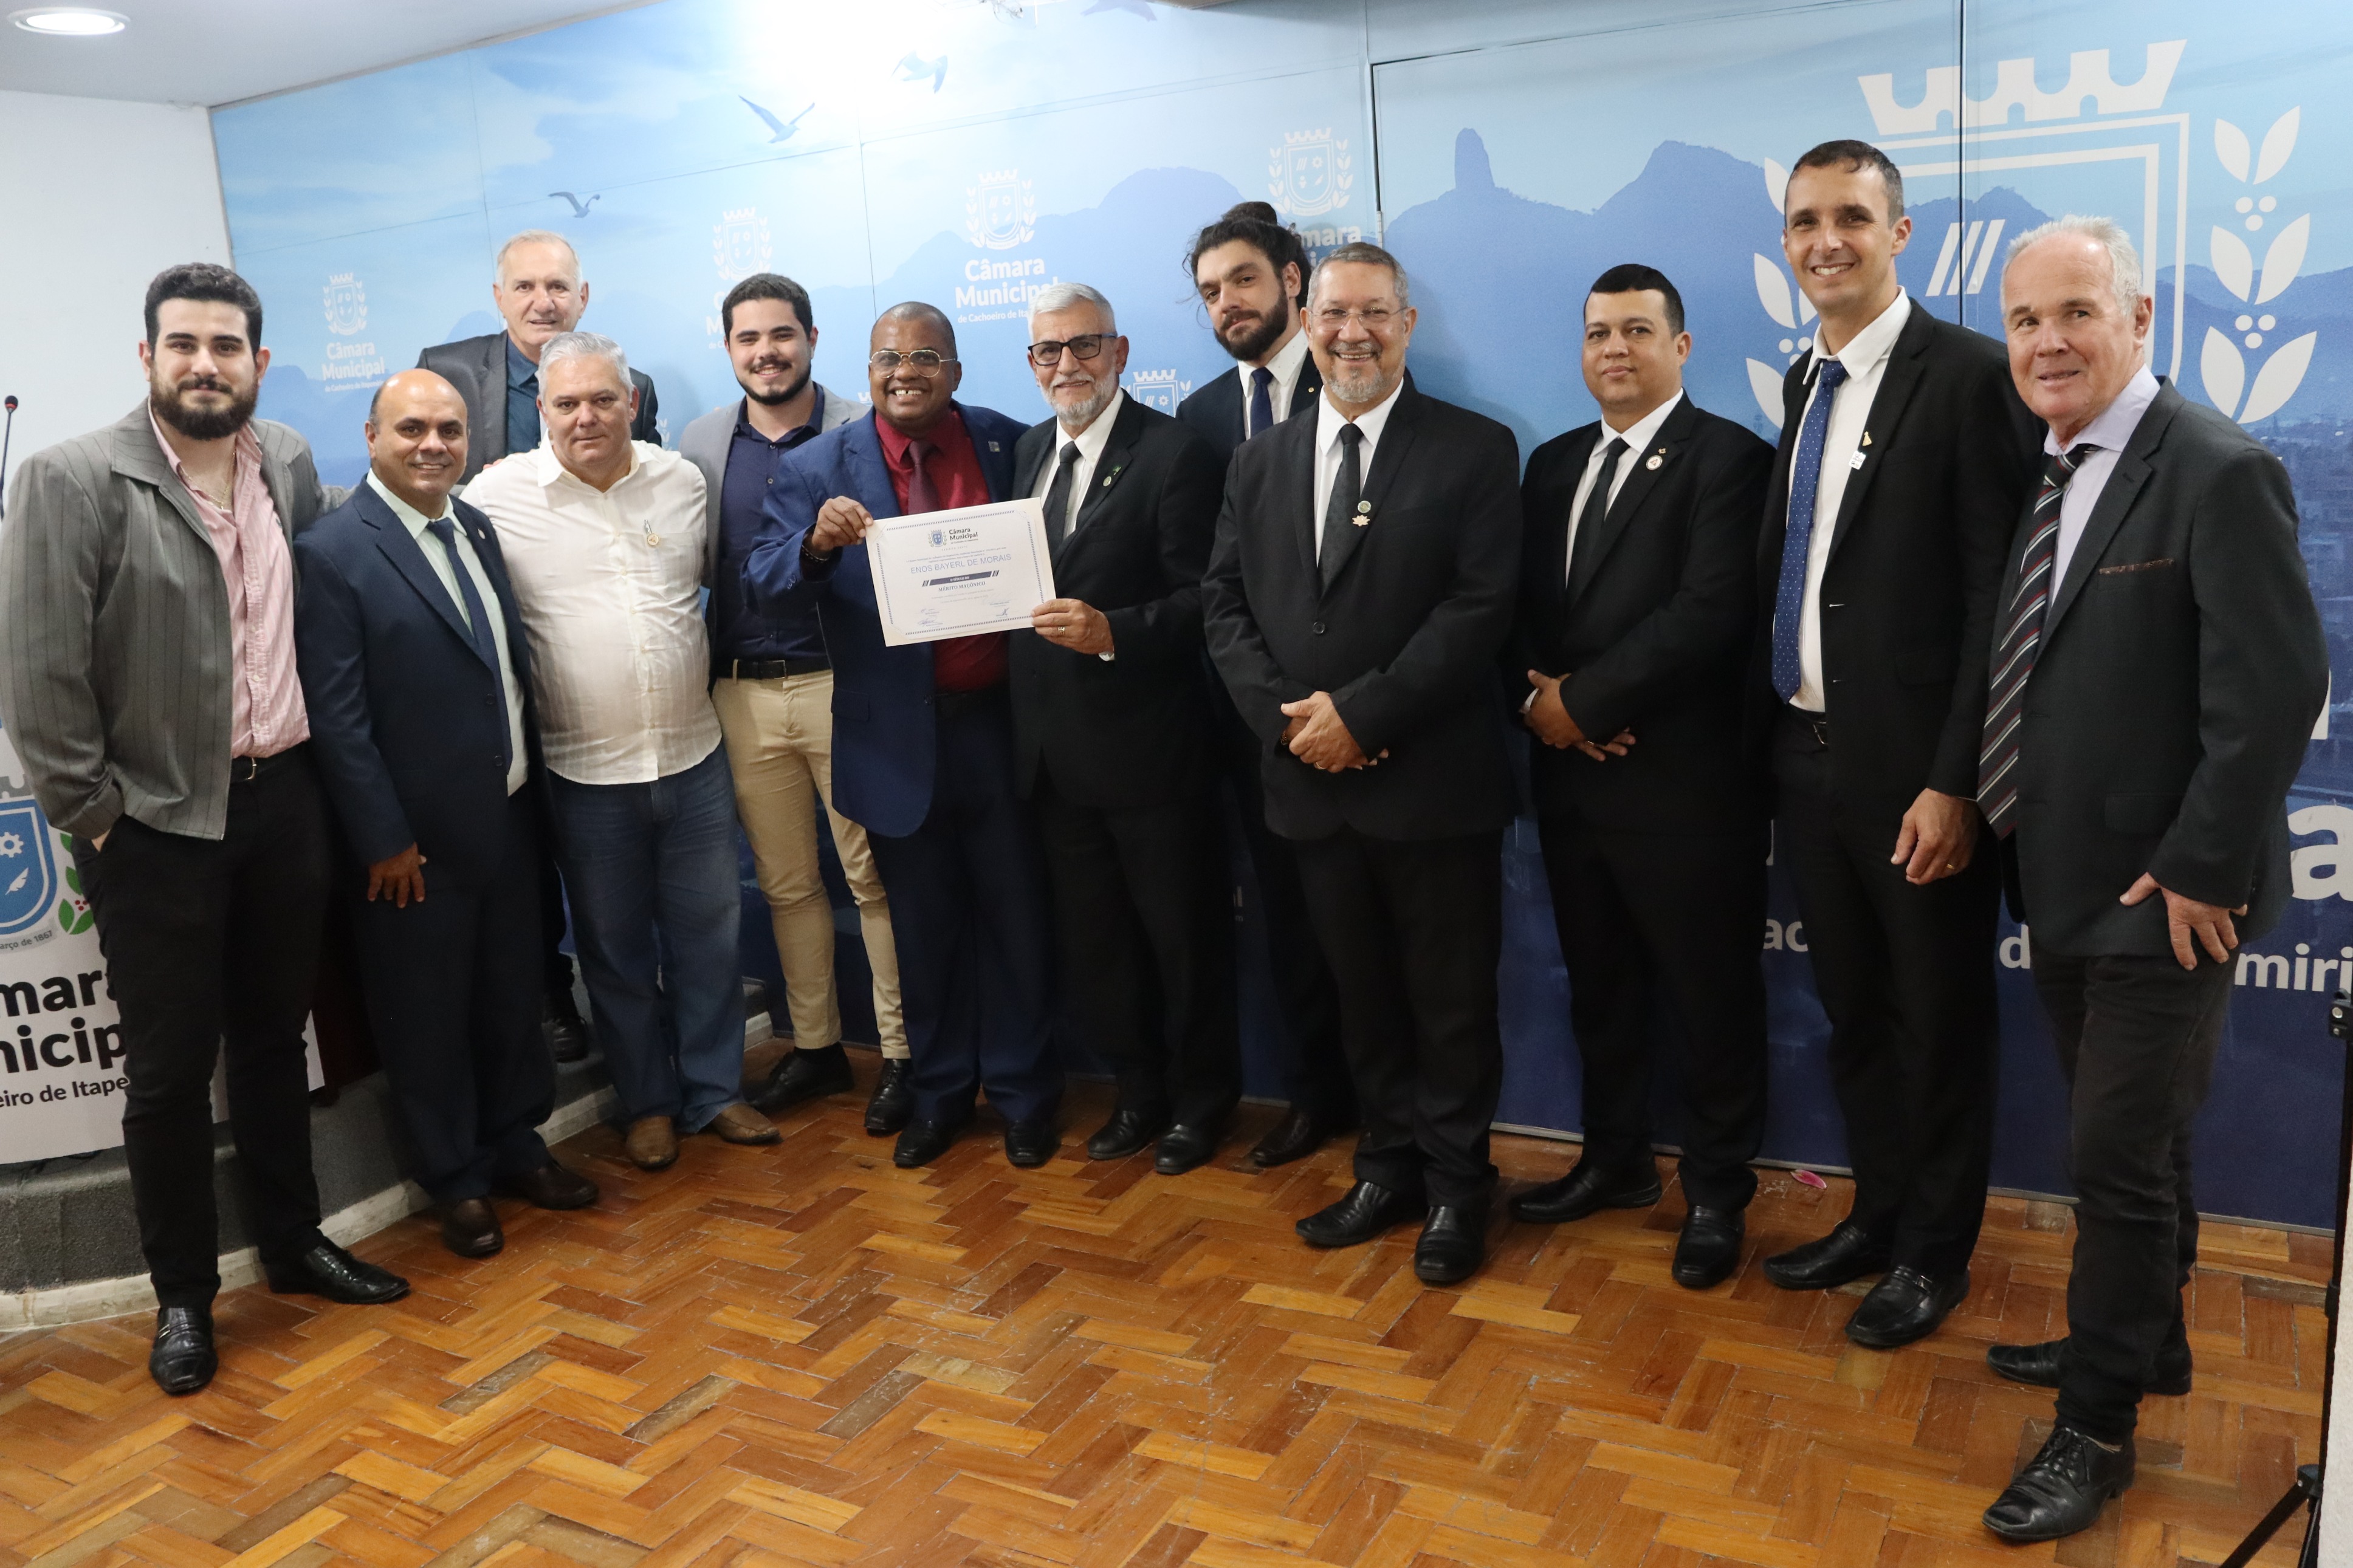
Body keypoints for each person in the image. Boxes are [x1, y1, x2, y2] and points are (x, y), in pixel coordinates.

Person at [1975, 217, 2327, 1542]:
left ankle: (2097, 1423)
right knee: (2143, 1142)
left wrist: (2196, 866)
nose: (2047, 342)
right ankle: (2149, 1339)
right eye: (2024, 320)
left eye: (2075, 311)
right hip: (2061, 879)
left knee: (2113, 1159)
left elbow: (2275, 690)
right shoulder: (2053, 466)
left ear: (2137, 318)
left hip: (2166, 898)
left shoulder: (2218, 468)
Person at [0, 264, 408, 1396]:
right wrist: (100, 824)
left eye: (226, 346)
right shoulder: (72, 478)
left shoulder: (288, 460)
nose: (204, 364)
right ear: (148, 357)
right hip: (154, 828)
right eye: (182, 344)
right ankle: (183, 1295)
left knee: (276, 1042)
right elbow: (38, 680)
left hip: (285, 804)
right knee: (171, 1074)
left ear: (257, 362)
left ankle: (293, 1242)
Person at [1751, 140, 2038, 1347]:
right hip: (1807, 758)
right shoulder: (1802, 381)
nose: (1827, 241)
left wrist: (1954, 780)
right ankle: (1876, 1216)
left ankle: (1933, 1254)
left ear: (1900, 233)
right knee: (1857, 1013)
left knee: (1937, 1020)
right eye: (1805, 220)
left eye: (1852, 218)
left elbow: (1995, 601)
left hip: (1919, 780)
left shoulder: (1967, 376)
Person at [1203, 243, 1521, 1285]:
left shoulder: (1476, 448)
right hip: (1310, 785)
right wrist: (1290, 723)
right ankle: (1387, 1166)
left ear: (1408, 323)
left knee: (1450, 1002)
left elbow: (1478, 608)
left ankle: (1459, 1185)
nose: (1354, 334)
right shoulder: (1258, 462)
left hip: (1432, 785)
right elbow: (1224, 604)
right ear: (1308, 323)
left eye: (1375, 313)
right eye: (1335, 314)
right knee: (1364, 996)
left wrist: (1364, 714)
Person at [744, 303, 1062, 1171]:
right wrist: (815, 545)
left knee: (1018, 924)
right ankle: (942, 1094)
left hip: (1001, 728)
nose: (906, 372)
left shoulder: (1010, 444)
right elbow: (765, 583)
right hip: (891, 742)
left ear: (954, 370)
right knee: (923, 934)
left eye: (926, 356)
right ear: (868, 370)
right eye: (889, 357)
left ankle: (1027, 1096)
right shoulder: (816, 466)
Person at [1506, 265, 1773, 1290]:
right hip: (1572, 783)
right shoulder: (1551, 465)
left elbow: (1710, 612)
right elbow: (1515, 607)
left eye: (1637, 330)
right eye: (1598, 333)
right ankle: (1614, 1158)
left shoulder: (1731, 460)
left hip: (1686, 789)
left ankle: (1716, 1192)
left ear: (1681, 346)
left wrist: (1585, 703)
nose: (1614, 349)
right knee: (1602, 990)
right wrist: (1545, 704)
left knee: (1710, 999)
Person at [294, 369, 600, 1260]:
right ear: (372, 437)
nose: (433, 445)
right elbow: (339, 720)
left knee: (510, 998)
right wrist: (383, 839)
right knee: (425, 1017)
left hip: (508, 820)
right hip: (412, 849)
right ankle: (456, 1179)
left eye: (450, 430)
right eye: (412, 428)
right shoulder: (332, 552)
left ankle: (517, 1145)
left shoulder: (475, 526)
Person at [465, 331, 774, 1171]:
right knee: (613, 951)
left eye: (604, 399)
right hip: (582, 773)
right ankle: (647, 1104)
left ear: (631, 403)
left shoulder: (681, 481)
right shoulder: (497, 496)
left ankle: (716, 1091)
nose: (587, 417)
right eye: (567, 403)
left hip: (694, 757)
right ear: (542, 410)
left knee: (710, 940)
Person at [678, 273, 912, 1134]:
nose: (766, 352)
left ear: (812, 338)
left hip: (846, 685)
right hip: (741, 692)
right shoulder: (702, 443)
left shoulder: (864, 427)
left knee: (872, 879)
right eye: (748, 338)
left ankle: (903, 1055)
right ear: (728, 348)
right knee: (785, 885)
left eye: (781, 335)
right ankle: (815, 1047)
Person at [419, 228, 660, 1063]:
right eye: (524, 287)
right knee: (519, 840)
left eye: (558, 287)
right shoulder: (447, 372)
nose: (542, 302)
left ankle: (635, 991)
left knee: (598, 843)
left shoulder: (631, 386)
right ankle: (549, 991)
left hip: (584, 634)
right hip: (486, 640)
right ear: (499, 298)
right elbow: (421, 488)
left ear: (582, 297)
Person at [1012, 283, 1237, 1173]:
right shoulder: (1029, 451)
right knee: (1100, 945)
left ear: (1121, 351)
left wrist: (1116, 632)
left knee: (1183, 942)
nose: (1067, 364)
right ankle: (1138, 1093)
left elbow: (1208, 600)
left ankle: (1203, 1102)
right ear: (1033, 364)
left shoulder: (1176, 453)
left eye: (1085, 345)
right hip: (1052, 758)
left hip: (1152, 754)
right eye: (1049, 351)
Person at [1175, 201, 1353, 1169]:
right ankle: (1315, 1097)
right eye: (1210, 291)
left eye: (1243, 280)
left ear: (1293, 280)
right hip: (1252, 724)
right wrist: (1269, 711)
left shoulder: (1357, 374)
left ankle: (1396, 1112)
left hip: (1359, 717)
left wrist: (1340, 710)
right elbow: (1215, 584)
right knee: (1289, 923)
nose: (1227, 303)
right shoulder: (1202, 416)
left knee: (1370, 931)